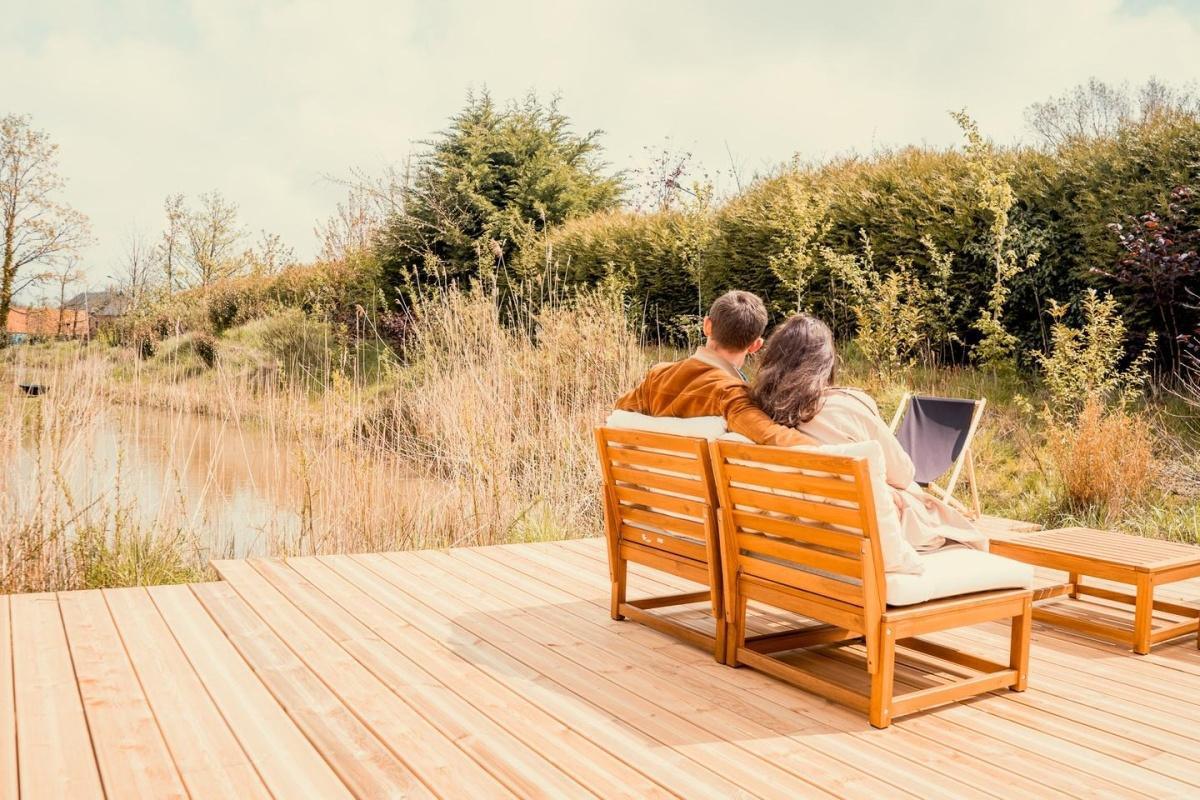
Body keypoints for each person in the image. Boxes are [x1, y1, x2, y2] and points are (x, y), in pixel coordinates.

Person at [751, 313, 986, 552]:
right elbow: (904, 474)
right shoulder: (847, 407)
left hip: (793, 535)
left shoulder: (759, 414)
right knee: (963, 538)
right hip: (860, 543)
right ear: (826, 362)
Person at [615, 291, 812, 446]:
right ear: (755, 346)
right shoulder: (731, 394)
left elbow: (619, 414)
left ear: (707, 326)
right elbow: (772, 437)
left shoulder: (657, 376)